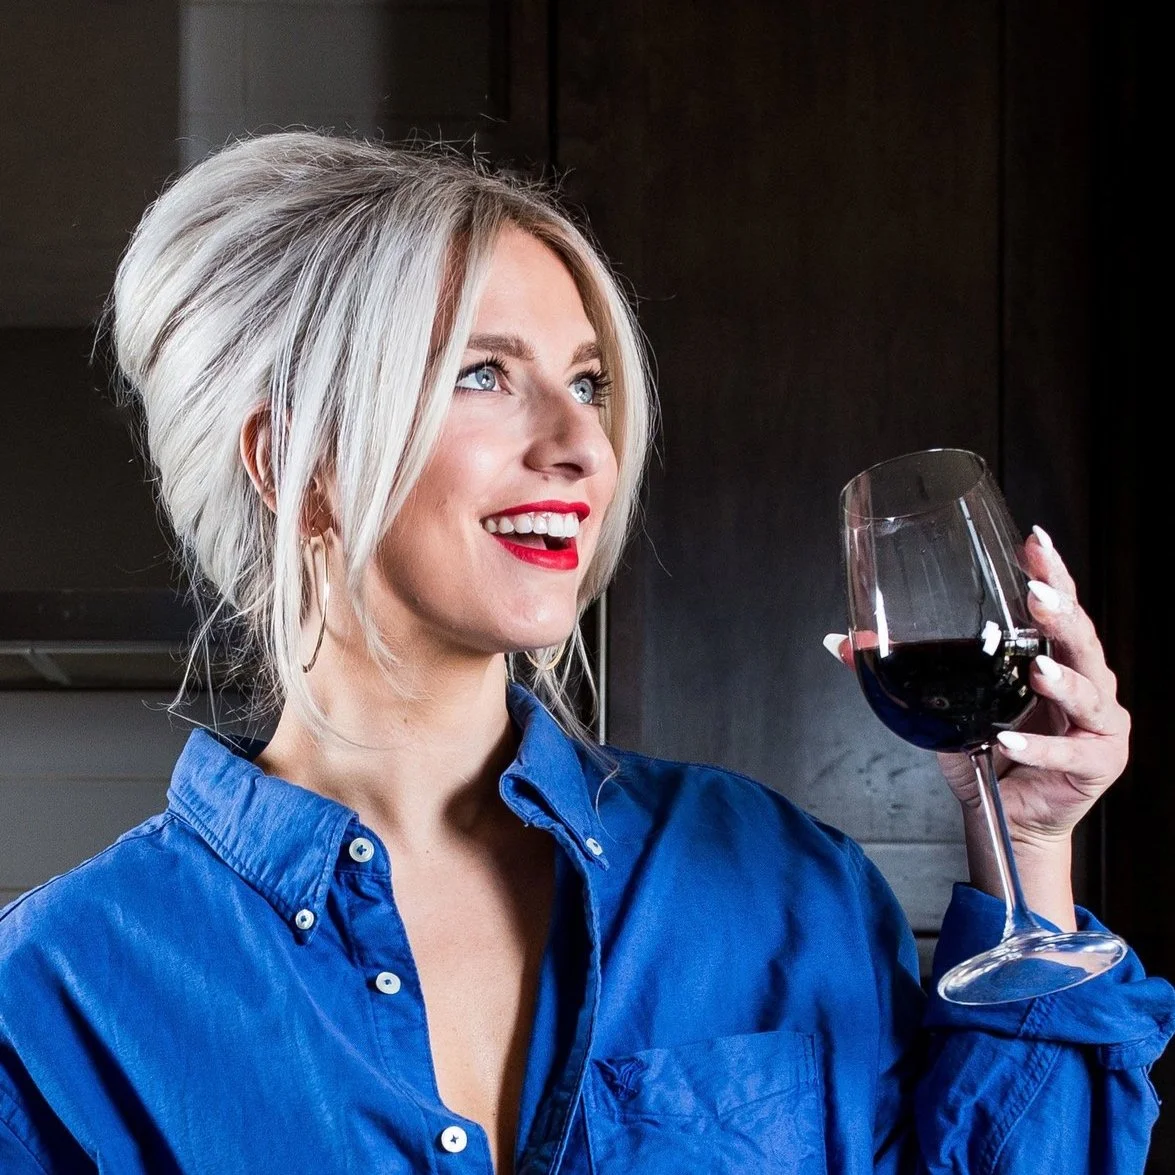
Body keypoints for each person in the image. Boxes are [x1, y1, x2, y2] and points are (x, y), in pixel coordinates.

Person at [0, 131, 1169, 1175]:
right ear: (291, 461)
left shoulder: (775, 878)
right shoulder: (59, 994)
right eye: (482, 373)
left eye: (588, 383)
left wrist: (1023, 846)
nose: (580, 446)